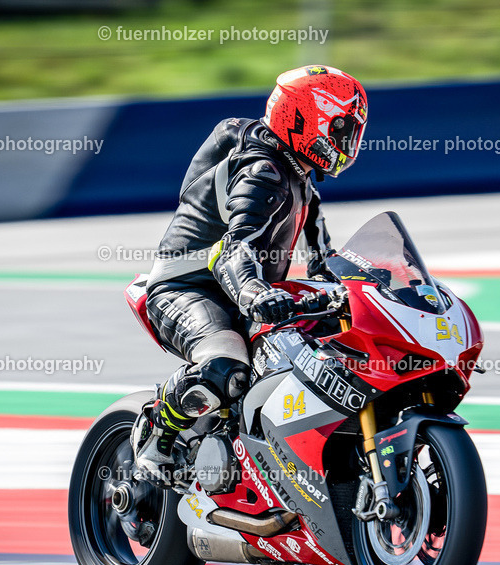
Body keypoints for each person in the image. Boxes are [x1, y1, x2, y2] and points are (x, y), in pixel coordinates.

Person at [133, 65, 369, 483]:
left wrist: (369, 291)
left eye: (351, 133)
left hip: (252, 292)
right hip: (189, 287)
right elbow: (234, 247)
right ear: (304, 119)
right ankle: (158, 434)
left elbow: (326, 262)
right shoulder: (261, 169)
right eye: (340, 130)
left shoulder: (302, 183)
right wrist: (255, 291)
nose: (345, 144)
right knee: (229, 366)